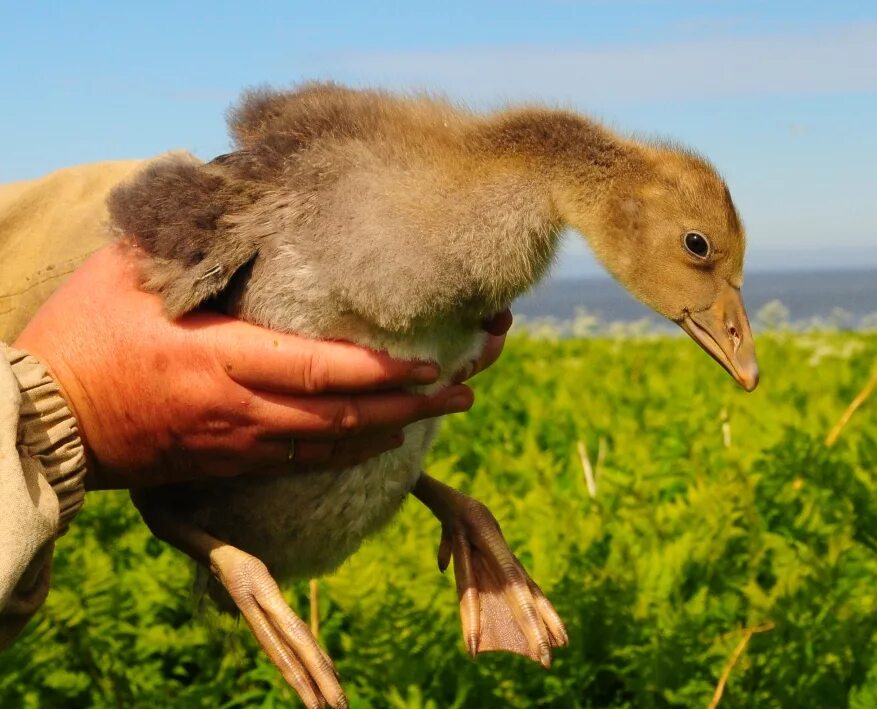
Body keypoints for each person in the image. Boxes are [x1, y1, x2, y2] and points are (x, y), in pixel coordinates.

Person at [0, 159, 510, 647]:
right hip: (214, 495)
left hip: (292, 233)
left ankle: (449, 503)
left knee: (355, 385)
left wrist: (226, 196)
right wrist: (69, 398)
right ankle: (210, 543)